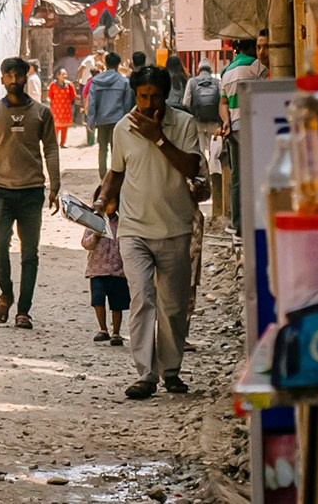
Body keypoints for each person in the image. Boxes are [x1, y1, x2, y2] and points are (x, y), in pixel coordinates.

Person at [93, 65, 203, 400]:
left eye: (154, 96)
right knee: (142, 299)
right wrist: (101, 200)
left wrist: (158, 138)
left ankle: (170, 371)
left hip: (175, 228)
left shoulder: (183, 124)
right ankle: (145, 374)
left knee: (172, 307)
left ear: (165, 95)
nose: (148, 102)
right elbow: (117, 172)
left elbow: (192, 167)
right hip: (133, 229)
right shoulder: (123, 128)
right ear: (135, 95)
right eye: (142, 96)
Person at [0, 57, 62, 328]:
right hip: (1, 191)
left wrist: (54, 185)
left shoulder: (42, 113)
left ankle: (24, 310)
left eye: (18, 75)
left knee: (30, 253)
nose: (13, 80)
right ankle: (6, 294)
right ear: (1, 79)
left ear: (26, 77)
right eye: (8, 75)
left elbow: (52, 149)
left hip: (32, 191)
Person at [219, 38, 262, 233]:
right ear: (252, 48)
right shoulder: (256, 66)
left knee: (236, 177)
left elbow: (223, 103)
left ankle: (237, 224)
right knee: (254, 174)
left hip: (233, 128)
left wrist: (226, 121)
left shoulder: (227, 71)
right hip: (250, 125)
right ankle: (254, 223)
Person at [181, 54, 225, 222]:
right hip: (214, 123)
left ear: (199, 69)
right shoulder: (217, 82)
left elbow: (186, 102)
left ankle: (202, 183)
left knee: (200, 154)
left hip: (198, 123)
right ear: (210, 69)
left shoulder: (192, 82)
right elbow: (222, 101)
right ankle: (214, 183)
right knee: (214, 155)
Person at [83, 208, 128, 346]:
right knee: (98, 301)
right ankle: (103, 329)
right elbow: (86, 243)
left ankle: (116, 331)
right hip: (97, 269)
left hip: (118, 270)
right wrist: (95, 236)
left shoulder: (123, 222)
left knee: (117, 304)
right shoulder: (92, 222)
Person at [85, 52, 132, 179]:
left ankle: (102, 175)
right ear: (118, 65)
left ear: (106, 64)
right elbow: (127, 104)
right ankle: (115, 175)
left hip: (101, 121)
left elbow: (92, 103)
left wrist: (91, 121)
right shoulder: (123, 82)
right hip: (118, 121)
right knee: (115, 149)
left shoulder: (96, 81)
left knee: (102, 148)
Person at [48, 68, 78, 136]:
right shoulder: (53, 85)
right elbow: (50, 95)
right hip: (56, 109)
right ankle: (55, 143)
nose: (64, 75)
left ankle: (63, 143)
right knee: (56, 127)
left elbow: (73, 95)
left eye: (65, 74)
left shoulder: (69, 84)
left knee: (64, 127)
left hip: (66, 109)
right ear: (58, 76)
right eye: (62, 74)